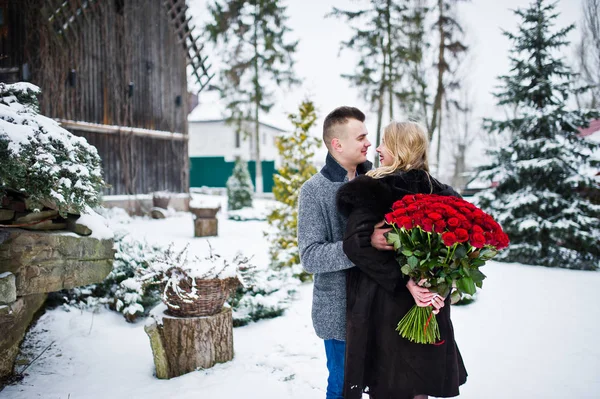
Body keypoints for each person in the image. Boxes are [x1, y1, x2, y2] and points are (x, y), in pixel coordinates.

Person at [336, 121, 468, 399]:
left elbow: (355, 245)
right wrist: (434, 285)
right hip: (428, 307)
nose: (379, 149)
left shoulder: (375, 189)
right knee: (420, 385)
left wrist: (410, 282)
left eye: (385, 142)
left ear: (401, 148)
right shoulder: (444, 194)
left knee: (390, 385)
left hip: (385, 308)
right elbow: (461, 250)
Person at [298, 106, 375, 399]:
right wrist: (361, 247)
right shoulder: (314, 190)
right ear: (337, 144)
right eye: (361, 137)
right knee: (344, 388)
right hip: (339, 314)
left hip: (380, 306)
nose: (368, 142)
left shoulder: (379, 182)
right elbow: (311, 256)